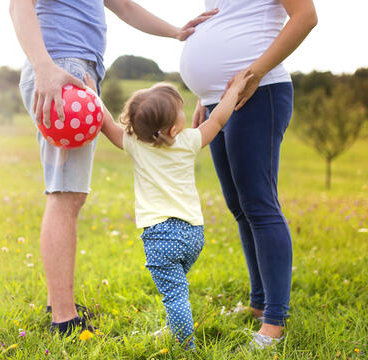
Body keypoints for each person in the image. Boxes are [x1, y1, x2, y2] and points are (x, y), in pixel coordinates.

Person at [9, 0, 217, 336]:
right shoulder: (52, 66)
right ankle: (64, 320)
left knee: (68, 192)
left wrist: (176, 31)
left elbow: (122, 5)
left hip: (71, 69)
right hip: (60, 68)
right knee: (65, 193)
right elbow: (19, 6)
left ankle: (59, 303)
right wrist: (44, 67)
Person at [179, 0, 318, 349]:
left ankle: (274, 320)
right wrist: (205, 95)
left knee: (259, 203)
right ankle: (258, 305)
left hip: (260, 91)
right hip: (219, 100)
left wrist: (254, 72)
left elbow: (306, 16)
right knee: (239, 205)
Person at [93, 70, 252, 348]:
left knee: (175, 294)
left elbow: (106, 125)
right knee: (176, 288)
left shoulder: (135, 144)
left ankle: (184, 344)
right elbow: (218, 119)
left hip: (161, 236)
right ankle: (175, 327)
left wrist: (92, 95)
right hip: (193, 235)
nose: (184, 112)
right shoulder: (188, 142)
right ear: (171, 129)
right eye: (180, 111)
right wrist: (235, 89)